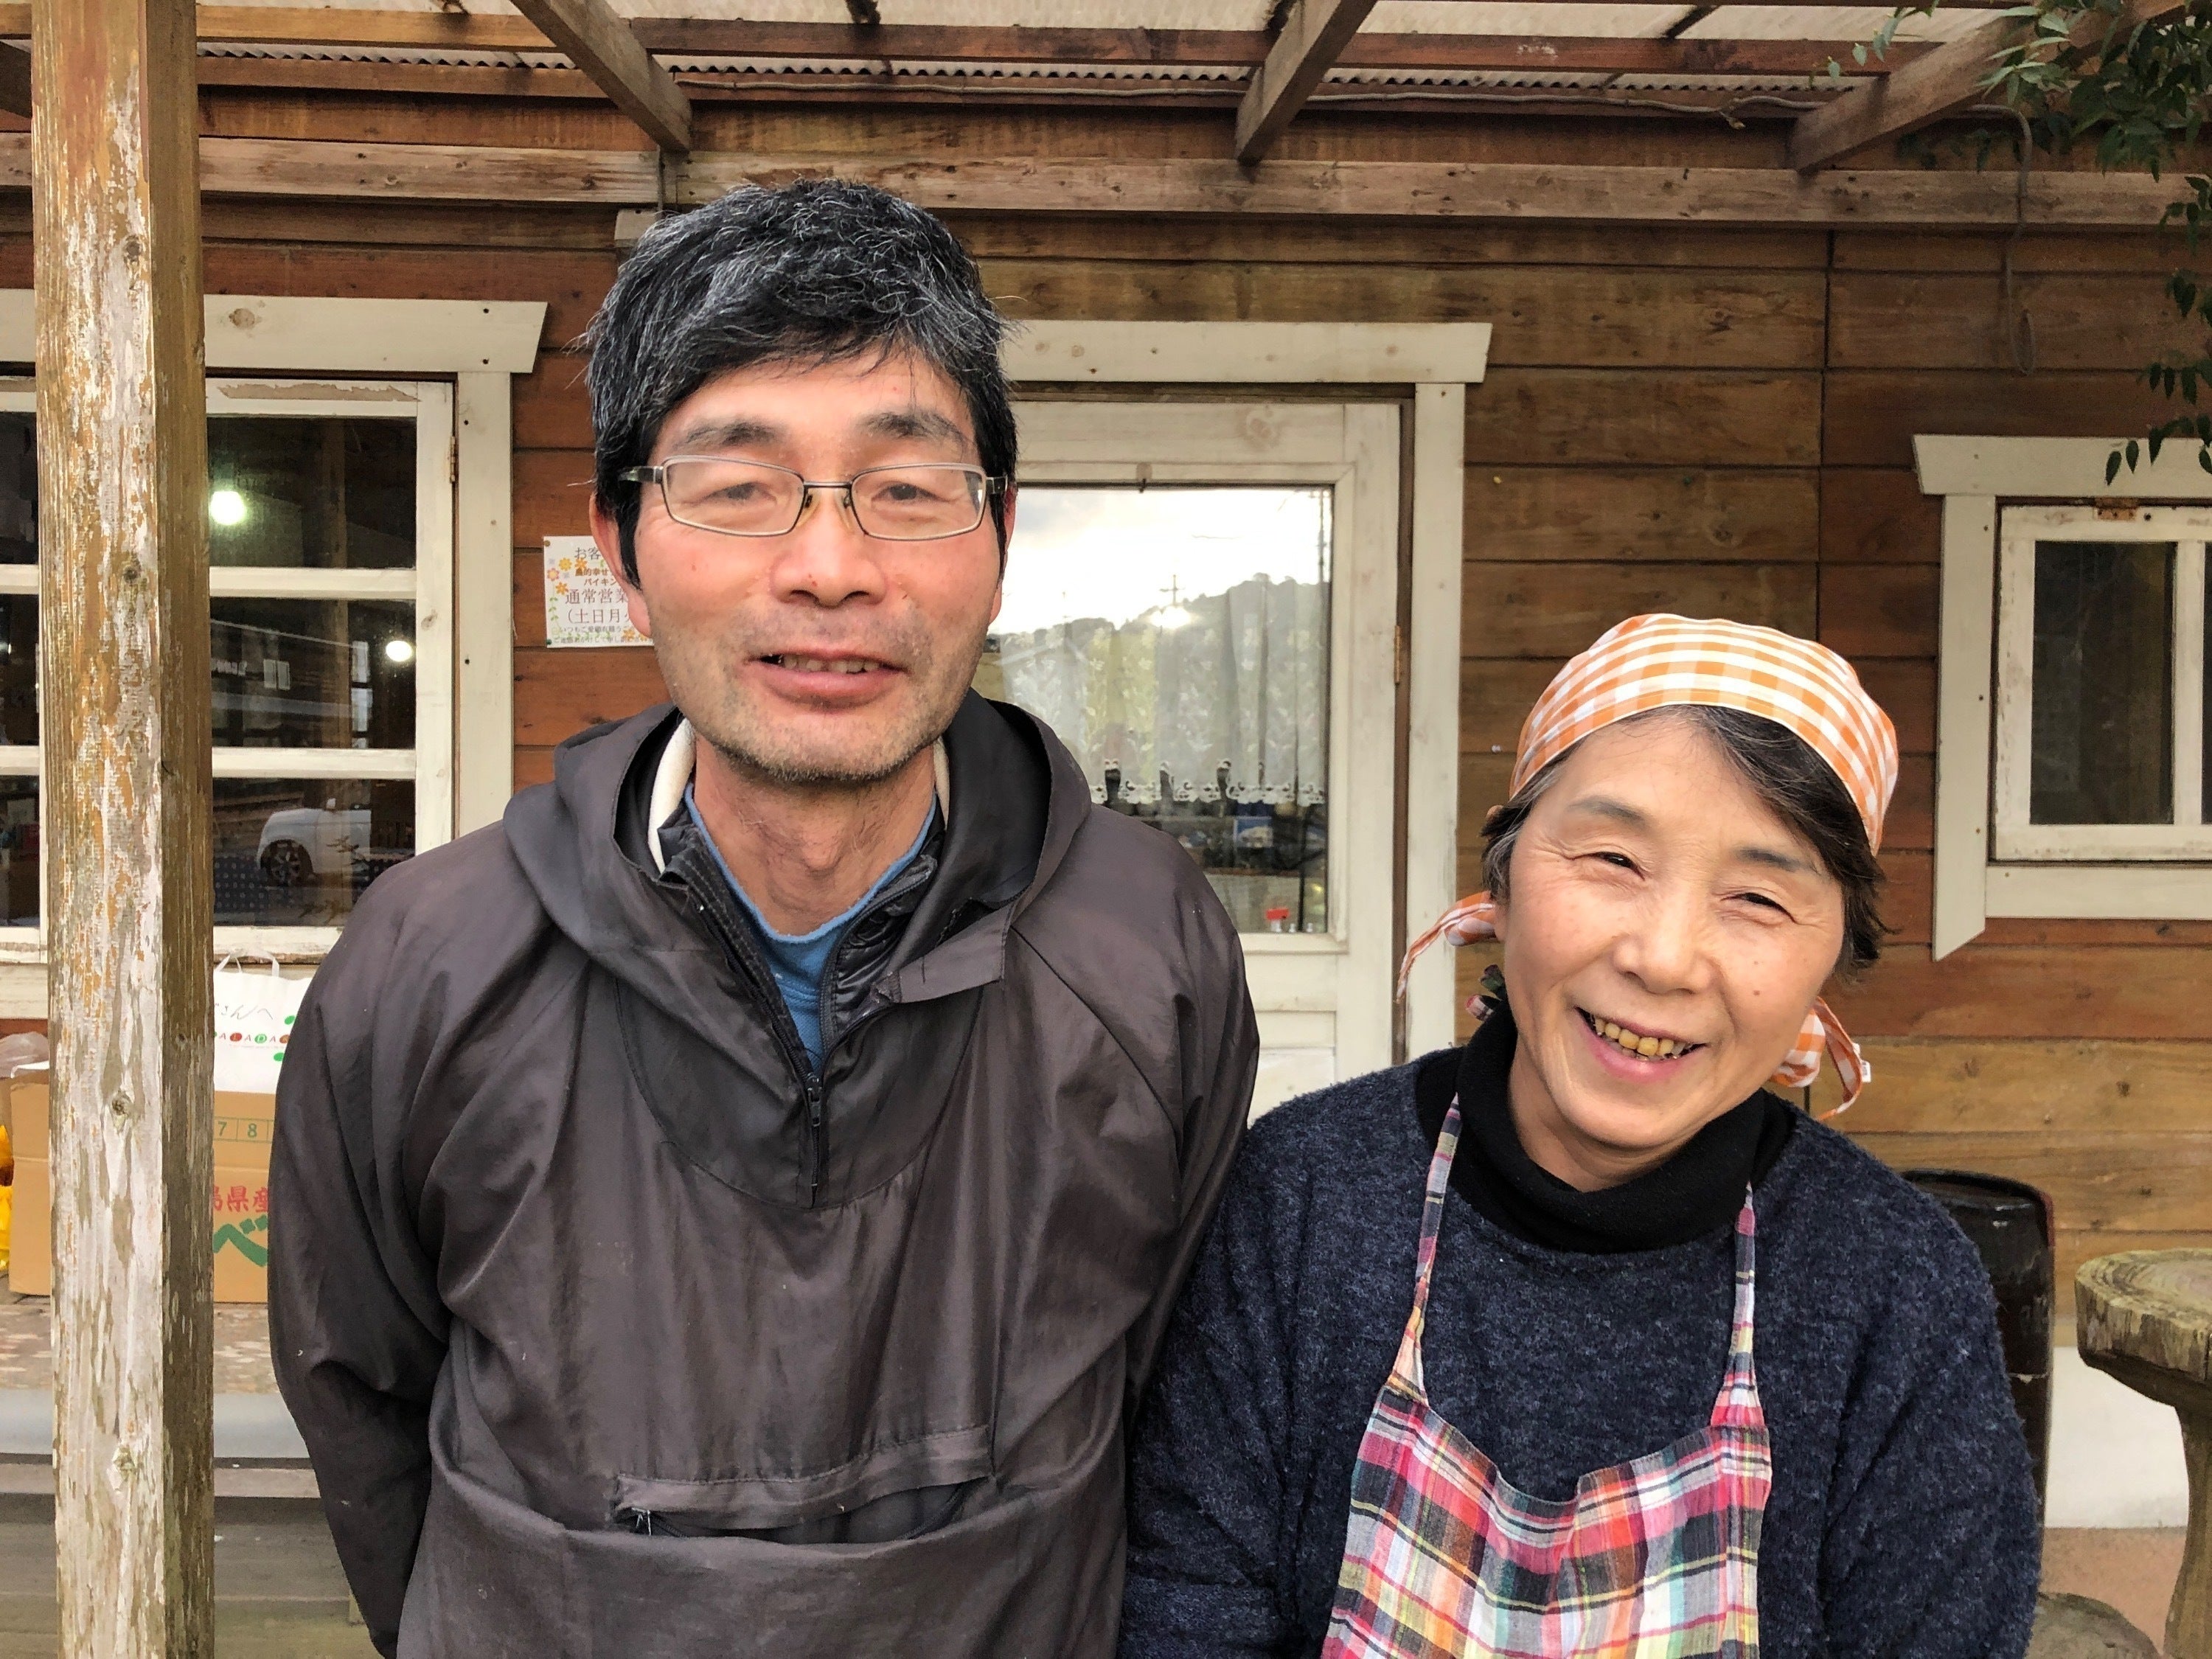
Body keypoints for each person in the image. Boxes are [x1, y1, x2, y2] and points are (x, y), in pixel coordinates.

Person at [268, 179, 1257, 1658]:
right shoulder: (430, 960)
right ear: (621, 544)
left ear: (998, 537)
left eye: (906, 487)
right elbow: (364, 1403)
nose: (831, 566)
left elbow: (1168, 1388)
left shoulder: (1144, 943)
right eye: (738, 486)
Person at [1119, 615, 2040, 1658]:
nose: (1664, 957)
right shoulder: (1305, 1198)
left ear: (1832, 956)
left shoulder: (1897, 1289)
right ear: (1503, 878)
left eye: (1758, 896)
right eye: (1612, 857)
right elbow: (1185, 1606)